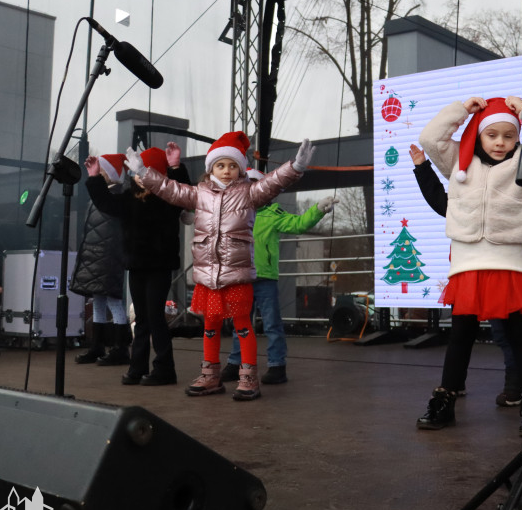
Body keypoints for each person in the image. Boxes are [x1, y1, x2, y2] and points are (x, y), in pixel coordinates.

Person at [416, 95, 522, 434]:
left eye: (509, 135)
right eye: (492, 134)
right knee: (461, 334)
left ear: (518, 137)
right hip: (468, 262)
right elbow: (430, 138)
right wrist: (460, 110)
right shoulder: (459, 160)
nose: (500, 142)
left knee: (518, 335)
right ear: (479, 134)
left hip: (508, 262)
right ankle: (445, 401)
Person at [128, 133, 315, 401]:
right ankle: (210, 375)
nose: (226, 171)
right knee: (211, 325)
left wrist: (295, 167)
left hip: (236, 275)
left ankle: (248, 377)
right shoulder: (199, 194)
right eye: (220, 165)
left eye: (232, 165)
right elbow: (170, 189)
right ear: (210, 169)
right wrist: (145, 172)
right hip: (208, 277)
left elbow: (273, 183)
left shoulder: (249, 193)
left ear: (240, 168)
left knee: (242, 326)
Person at [409, 143, 522, 407]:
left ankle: (516, 387)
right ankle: (453, 385)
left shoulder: (507, 188)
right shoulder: (467, 193)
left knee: (507, 331)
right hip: (468, 273)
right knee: (462, 332)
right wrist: (422, 167)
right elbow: (441, 202)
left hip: (500, 272)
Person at [220, 168, 336, 386]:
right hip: (241, 278)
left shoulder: (273, 213)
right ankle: (236, 363)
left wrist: (318, 210)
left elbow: (299, 224)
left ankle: (276, 366)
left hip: (263, 278)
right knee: (240, 324)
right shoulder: (234, 213)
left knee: (271, 324)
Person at [86, 146, 190, 386]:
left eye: (145, 172)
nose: (139, 177)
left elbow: (182, 191)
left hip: (159, 266)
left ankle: (165, 369)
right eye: (136, 172)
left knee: (154, 317)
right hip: (136, 266)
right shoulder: (128, 198)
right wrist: (94, 178)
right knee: (142, 318)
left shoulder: (167, 198)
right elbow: (106, 203)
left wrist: (175, 167)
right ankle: (137, 367)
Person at [71, 153, 132, 366]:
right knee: (97, 299)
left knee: (114, 300)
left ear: (114, 174)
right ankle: (96, 346)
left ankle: (120, 348)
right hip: (96, 255)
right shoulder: (101, 195)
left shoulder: (118, 196)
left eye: (104, 171)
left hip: (109, 255)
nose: (100, 174)